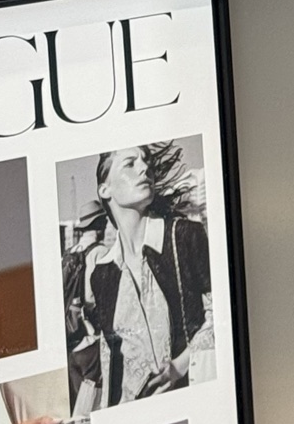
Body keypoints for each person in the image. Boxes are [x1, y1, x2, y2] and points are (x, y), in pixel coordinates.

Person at [63, 142, 213, 409]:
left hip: (189, 401)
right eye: (130, 163)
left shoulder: (184, 235)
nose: (144, 168)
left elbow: (223, 315)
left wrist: (179, 366)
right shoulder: (102, 272)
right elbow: (110, 358)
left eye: (146, 161)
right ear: (105, 189)